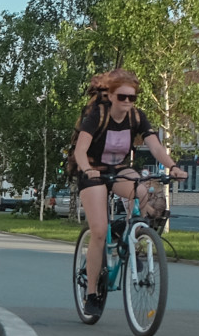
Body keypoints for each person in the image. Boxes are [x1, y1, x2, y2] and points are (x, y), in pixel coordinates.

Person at [74, 69, 187, 319]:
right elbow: (80, 151)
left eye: (131, 98)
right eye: (122, 97)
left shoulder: (136, 117)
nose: (127, 102)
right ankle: (92, 292)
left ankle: (138, 239)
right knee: (99, 232)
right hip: (92, 171)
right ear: (111, 96)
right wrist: (88, 170)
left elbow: (155, 146)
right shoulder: (97, 115)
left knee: (144, 190)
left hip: (119, 171)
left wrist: (173, 167)